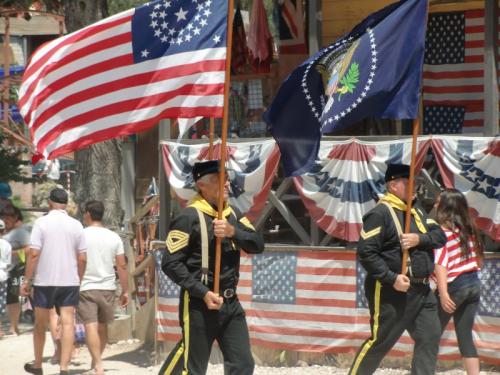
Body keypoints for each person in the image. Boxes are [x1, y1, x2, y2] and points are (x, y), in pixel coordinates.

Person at [159, 160, 265, 375]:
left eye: (226, 178)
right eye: (219, 179)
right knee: (194, 368)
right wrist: (202, 292)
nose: (226, 184)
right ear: (202, 185)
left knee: (243, 364)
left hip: (231, 303)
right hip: (199, 304)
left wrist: (233, 232)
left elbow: (257, 244)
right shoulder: (188, 217)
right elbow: (170, 263)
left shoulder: (232, 215)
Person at [349, 163, 447, 375]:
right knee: (380, 342)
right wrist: (391, 278)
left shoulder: (417, 209)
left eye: (415, 183)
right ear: (393, 186)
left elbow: (440, 237)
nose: (415, 187)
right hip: (391, 291)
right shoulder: (380, 214)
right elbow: (366, 253)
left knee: (430, 336)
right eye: (408, 183)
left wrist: (419, 238)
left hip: (422, 289)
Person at [21, 187, 86, 375]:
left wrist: (26, 280)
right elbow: (82, 258)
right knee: (67, 323)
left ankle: (38, 365)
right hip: (69, 281)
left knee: (40, 324)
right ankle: (64, 367)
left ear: (50, 202)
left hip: (45, 281)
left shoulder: (41, 223)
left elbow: (33, 254)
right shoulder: (77, 225)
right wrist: (78, 279)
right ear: (66, 204)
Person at [434, 189, 484, 375]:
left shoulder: (442, 233)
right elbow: (478, 260)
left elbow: (441, 264)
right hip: (473, 283)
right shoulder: (470, 230)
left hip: (455, 285)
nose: (434, 205)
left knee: (430, 334)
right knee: (465, 336)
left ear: (446, 207)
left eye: (438, 202)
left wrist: (443, 293)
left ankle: (423, 370)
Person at [78, 200, 129, 375]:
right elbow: (122, 265)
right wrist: (125, 290)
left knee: (90, 326)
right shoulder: (113, 236)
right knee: (103, 326)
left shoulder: (81, 235)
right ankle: (97, 360)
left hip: (86, 286)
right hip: (108, 287)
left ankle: (97, 364)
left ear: (87, 214)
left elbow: (79, 260)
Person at [2, 205, 31, 335]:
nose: (5, 220)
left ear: (15, 218)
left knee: (12, 298)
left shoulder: (21, 232)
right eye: (3, 217)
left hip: (15, 269)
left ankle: (14, 326)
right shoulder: (3, 231)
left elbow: (29, 249)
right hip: (4, 270)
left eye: (8, 217)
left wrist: (12, 253)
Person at [0, 219, 12, 335]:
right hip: (2, 275)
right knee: (1, 301)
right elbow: (8, 264)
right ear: (3, 230)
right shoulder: (7, 245)